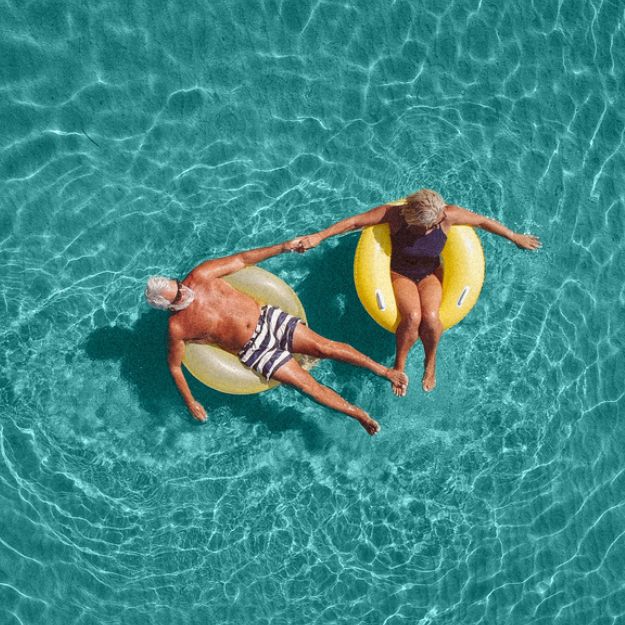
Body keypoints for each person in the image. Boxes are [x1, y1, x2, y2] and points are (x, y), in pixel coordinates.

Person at [290, 189, 541, 395]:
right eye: (425, 227)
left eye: (433, 225)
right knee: (412, 317)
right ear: (411, 218)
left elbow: (483, 221)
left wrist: (514, 236)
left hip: (429, 274)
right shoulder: (394, 216)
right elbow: (355, 221)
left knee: (431, 317)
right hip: (401, 274)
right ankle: (399, 365)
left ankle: (429, 363)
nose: (431, 229)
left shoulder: (447, 216)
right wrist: (319, 236)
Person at [144, 240, 408, 435]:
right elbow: (175, 366)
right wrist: (191, 402)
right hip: (254, 351)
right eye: (177, 296)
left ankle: (384, 371)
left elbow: (243, 259)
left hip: (268, 318)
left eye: (178, 284)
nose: (185, 292)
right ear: (167, 306)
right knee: (306, 386)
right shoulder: (178, 328)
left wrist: (284, 247)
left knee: (322, 346)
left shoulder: (200, 275)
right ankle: (357, 414)